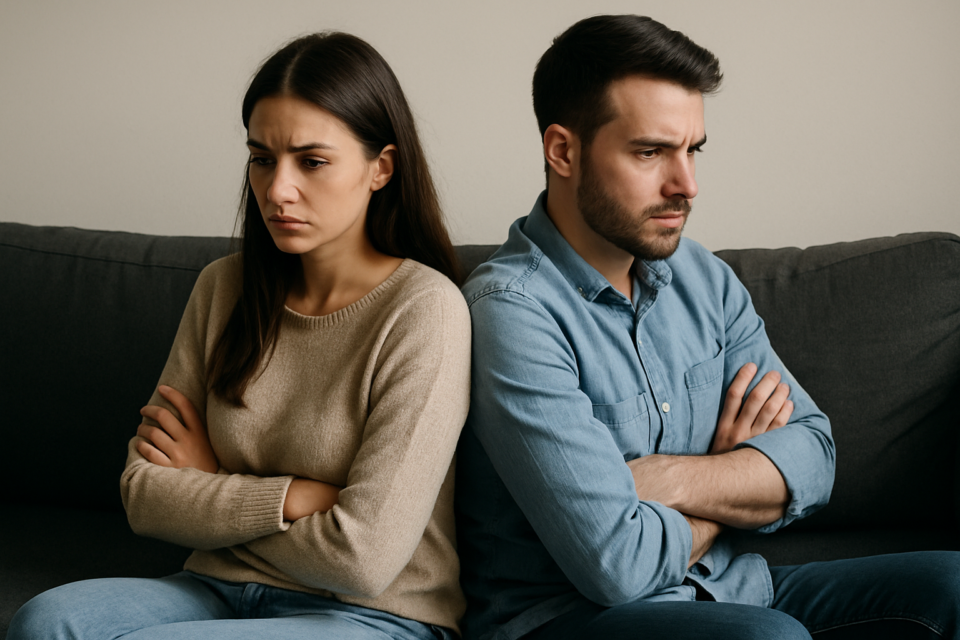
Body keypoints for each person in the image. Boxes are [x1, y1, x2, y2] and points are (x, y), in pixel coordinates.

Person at [456, 14, 960, 640]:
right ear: (563, 151)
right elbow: (617, 565)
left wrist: (672, 477)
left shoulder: (702, 278)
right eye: (650, 152)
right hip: (572, 619)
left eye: (692, 149)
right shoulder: (511, 310)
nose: (686, 185)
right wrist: (730, 485)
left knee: (952, 585)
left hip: (729, 588)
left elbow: (815, 454)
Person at [8, 32, 470, 640]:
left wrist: (211, 487)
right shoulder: (222, 288)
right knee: (47, 620)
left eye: (312, 161)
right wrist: (297, 497)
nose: (277, 190)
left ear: (381, 168)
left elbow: (364, 558)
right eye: (261, 158)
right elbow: (144, 494)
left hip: (371, 614)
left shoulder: (425, 310)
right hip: (214, 588)